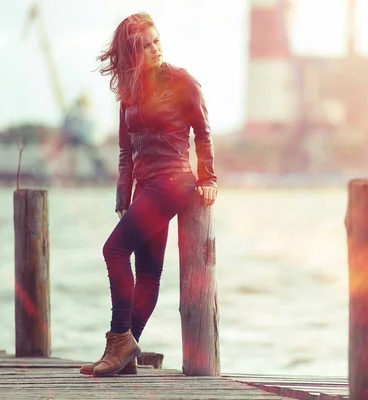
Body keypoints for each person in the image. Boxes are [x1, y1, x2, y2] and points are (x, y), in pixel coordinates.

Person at [79, 12, 218, 377]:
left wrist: (208, 177)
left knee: (114, 249)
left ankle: (119, 338)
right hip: (146, 185)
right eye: (145, 45)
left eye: (157, 41)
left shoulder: (182, 81)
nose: (155, 49)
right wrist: (123, 194)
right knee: (149, 272)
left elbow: (202, 132)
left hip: (173, 180)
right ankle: (125, 353)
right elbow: (126, 151)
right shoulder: (129, 94)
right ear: (131, 54)